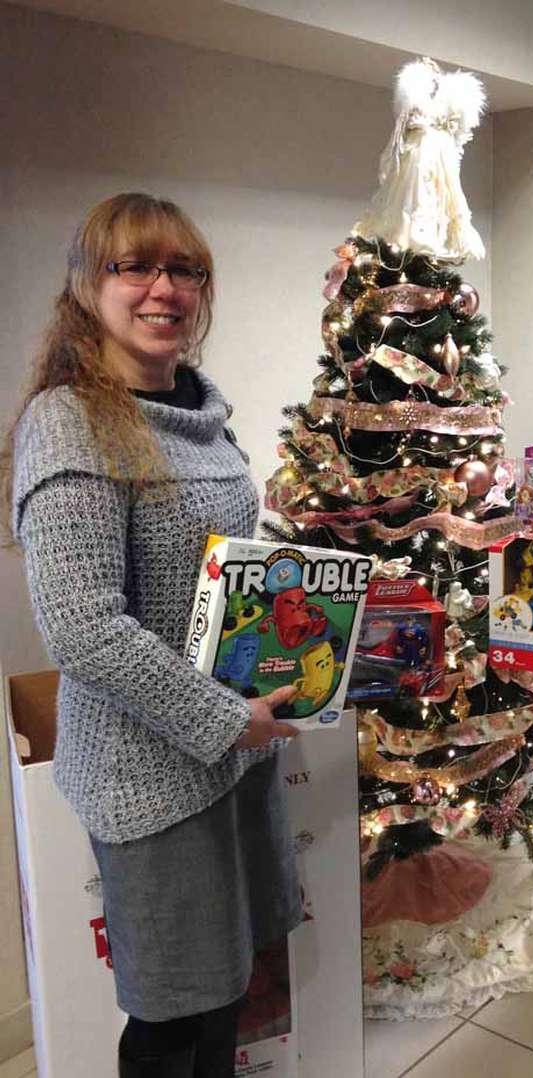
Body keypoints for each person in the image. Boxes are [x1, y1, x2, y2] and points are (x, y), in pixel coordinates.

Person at [2, 192, 303, 1077]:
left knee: (226, 1000)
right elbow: (85, 629)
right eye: (134, 266)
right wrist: (223, 717)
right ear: (86, 286)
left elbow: (223, 556)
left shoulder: (199, 409)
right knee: (174, 1016)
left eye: (184, 269)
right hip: (151, 776)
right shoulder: (73, 422)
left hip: (233, 756)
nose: (162, 288)